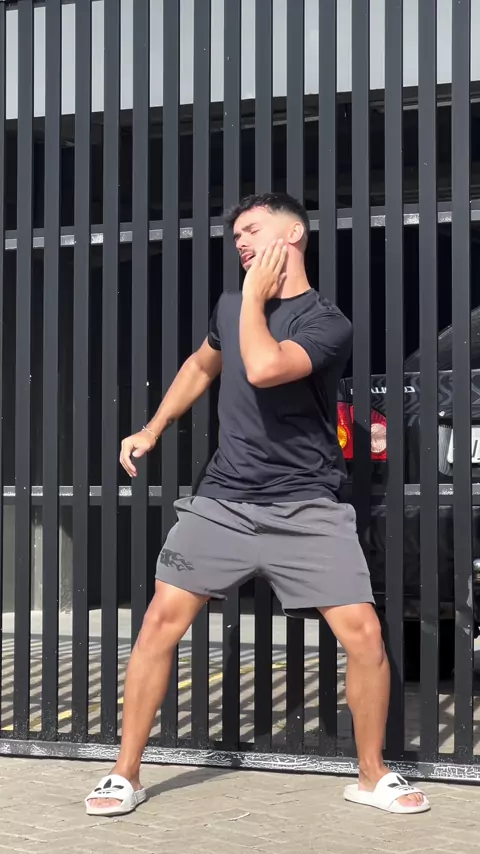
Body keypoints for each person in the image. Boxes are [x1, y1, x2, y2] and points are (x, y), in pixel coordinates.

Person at [85, 193, 430, 817]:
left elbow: (266, 366)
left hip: (307, 507)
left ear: (292, 234)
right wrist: (152, 428)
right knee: (159, 623)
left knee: (365, 636)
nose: (241, 242)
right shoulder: (230, 306)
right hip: (224, 501)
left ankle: (372, 774)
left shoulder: (327, 322)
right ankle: (123, 774)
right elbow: (202, 365)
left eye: (251, 230)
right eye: (236, 236)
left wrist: (250, 299)